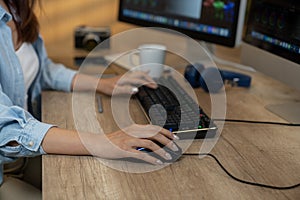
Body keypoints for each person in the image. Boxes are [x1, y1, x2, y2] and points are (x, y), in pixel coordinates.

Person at [0, 0, 178, 199]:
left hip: (23, 154)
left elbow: (43, 70)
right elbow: (5, 127)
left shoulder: (15, 7)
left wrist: (103, 84)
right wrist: (103, 142)